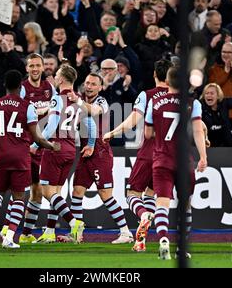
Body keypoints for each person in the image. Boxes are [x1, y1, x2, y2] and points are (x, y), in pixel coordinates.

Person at [0, 69, 60, 249]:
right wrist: (51, 146)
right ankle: (9, 238)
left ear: (5, 85)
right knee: (18, 198)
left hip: (1, 156)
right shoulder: (28, 107)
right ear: (20, 86)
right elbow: (37, 137)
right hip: (21, 158)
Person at [103, 59, 172, 252]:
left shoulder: (147, 95)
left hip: (149, 152)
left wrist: (111, 133)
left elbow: (132, 122)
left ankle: (142, 215)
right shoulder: (179, 97)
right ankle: (141, 241)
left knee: (132, 194)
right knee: (151, 194)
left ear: (154, 75)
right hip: (169, 155)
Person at [144, 66, 207, 260]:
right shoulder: (192, 103)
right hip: (184, 161)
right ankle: (181, 248)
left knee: (161, 203)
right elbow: (198, 131)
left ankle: (163, 239)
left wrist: (161, 133)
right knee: (185, 205)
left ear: (168, 82)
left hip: (162, 158)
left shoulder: (154, 101)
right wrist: (203, 157)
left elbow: (147, 134)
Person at [67, 73, 134, 244]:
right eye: (87, 83)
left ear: (100, 87)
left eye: (93, 84)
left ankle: (125, 232)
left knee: (105, 195)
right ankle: (76, 233)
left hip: (100, 153)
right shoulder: (79, 100)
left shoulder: (101, 101)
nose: (88, 86)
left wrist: (78, 101)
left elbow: (94, 112)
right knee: (77, 192)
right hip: (85, 153)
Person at [35, 65, 96, 243]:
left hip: (55, 148)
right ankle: (49, 232)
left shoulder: (58, 98)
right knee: (57, 193)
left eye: (56, 75)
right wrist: (91, 144)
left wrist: (36, 144)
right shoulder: (78, 100)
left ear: (61, 80)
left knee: (47, 192)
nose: (53, 77)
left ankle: (74, 222)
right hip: (71, 150)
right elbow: (92, 126)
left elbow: (51, 126)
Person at [0, 53, 56, 244]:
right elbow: (17, 112)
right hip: (24, 145)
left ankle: (25, 233)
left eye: (37, 66)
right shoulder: (22, 89)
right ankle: (7, 229)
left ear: (43, 67)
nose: (34, 69)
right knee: (20, 190)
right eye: (31, 66)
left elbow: (57, 110)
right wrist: (43, 110)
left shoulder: (49, 88)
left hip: (40, 146)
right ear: (27, 68)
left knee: (37, 190)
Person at [200, 83, 232, 147]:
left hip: (228, 146)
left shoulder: (224, 103)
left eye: (212, 93)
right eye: (206, 93)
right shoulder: (200, 106)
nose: (209, 95)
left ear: (218, 96)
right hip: (210, 147)